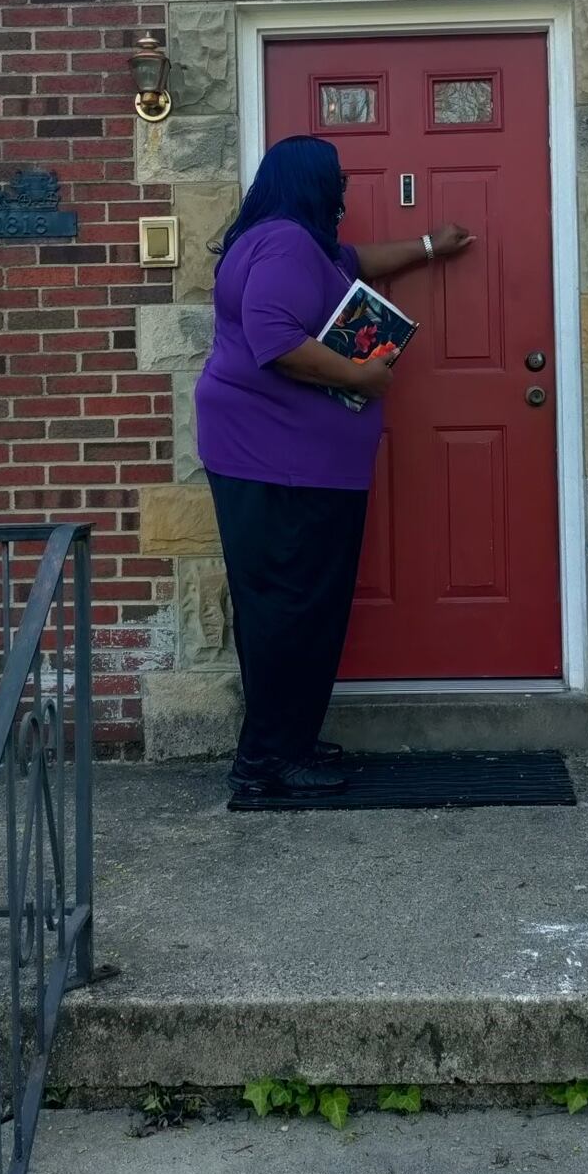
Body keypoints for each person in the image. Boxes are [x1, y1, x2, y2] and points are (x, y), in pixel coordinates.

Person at [195, 135, 473, 803]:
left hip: (284, 461)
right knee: (290, 610)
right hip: (279, 464)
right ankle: (265, 765)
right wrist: (361, 375)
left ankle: (286, 741)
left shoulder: (292, 242)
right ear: (314, 184)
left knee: (292, 606)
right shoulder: (288, 244)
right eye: (339, 181)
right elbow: (275, 339)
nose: (346, 193)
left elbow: (360, 262)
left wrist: (431, 246)